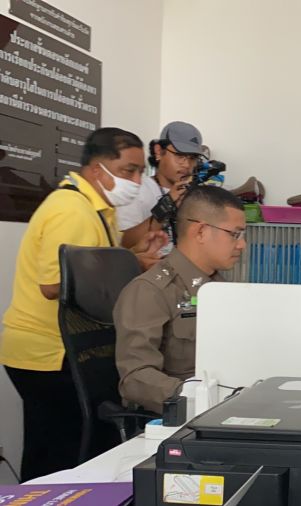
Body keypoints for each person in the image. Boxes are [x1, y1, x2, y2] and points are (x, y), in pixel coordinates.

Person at [0, 127, 167, 481]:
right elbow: (52, 284)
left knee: (66, 447)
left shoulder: (96, 206)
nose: (136, 181)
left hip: (64, 348)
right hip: (46, 352)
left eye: (141, 172)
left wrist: (137, 248)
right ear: (96, 169)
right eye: (128, 171)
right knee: (59, 453)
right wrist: (132, 264)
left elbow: (102, 253)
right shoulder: (71, 210)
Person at [115, 185, 246, 414]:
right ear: (201, 231)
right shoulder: (150, 291)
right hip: (181, 415)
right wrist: (198, 396)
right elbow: (135, 378)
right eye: (235, 234)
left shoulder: (219, 288)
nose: (242, 244)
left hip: (223, 405)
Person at [118, 121, 205, 250]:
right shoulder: (137, 189)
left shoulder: (195, 196)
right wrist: (165, 207)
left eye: (192, 158)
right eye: (180, 155)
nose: (187, 165)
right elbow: (123, 242)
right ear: (158, 151)